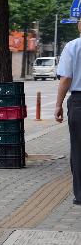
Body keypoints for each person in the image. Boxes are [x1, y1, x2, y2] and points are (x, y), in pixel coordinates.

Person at [54, 18, 81, 205]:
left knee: (78, 148)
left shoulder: (72, 46)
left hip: (79, 102)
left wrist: (58, 104)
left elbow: (65, 79)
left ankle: (80, 195)